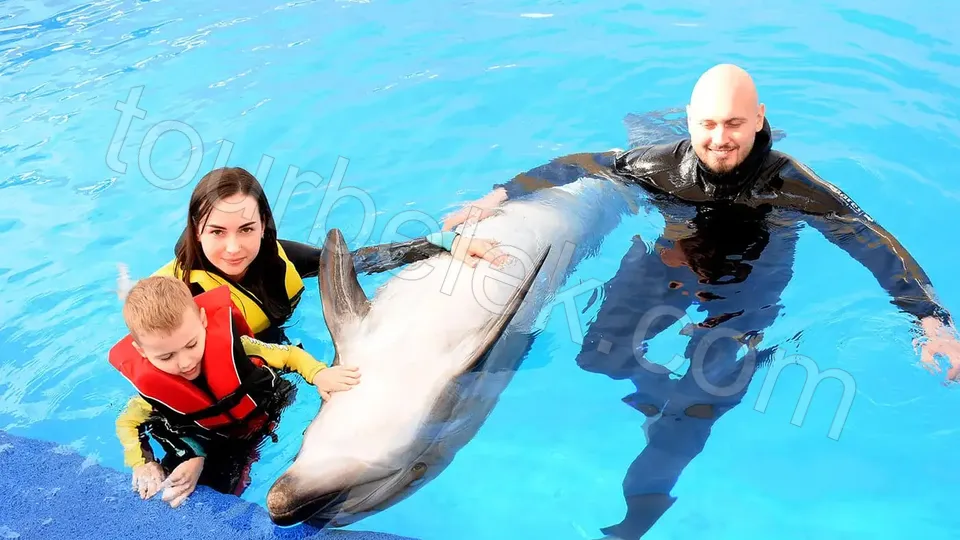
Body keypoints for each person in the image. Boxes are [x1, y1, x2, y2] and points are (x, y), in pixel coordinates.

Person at [442, 63, 960, 538]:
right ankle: (656, 394)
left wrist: (932, 322)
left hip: (749, 285)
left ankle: (640, 509)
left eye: (734, 123)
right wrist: (497, 196)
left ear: (759, 119)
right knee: (598, 357)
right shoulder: (661, 166)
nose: (719, 139)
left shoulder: (792, 184)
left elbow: (870, 240)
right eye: (708, 124)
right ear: (690, 122)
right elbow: (579, 164)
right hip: (672, 263)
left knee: (695, 407)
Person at [120, 166, 504, 344]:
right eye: (217, 232)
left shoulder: (277, 257)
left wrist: (442, 242)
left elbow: (355, 262)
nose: (234, 248)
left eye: (246, 229)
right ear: (196, 231)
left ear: (264, 225)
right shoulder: (183, 296)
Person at [110, 276, 361, 508]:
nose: (185, 362)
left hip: (269, 407)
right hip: (215, 437)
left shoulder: (238, 347)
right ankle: (194, 457)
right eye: (166, 357)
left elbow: (288, 355)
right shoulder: (150, 394)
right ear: (142, 352)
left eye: (192, 344)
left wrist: (318, 374)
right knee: (176, 477)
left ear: (203, 320)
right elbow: (126, 424)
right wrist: (143, 464)